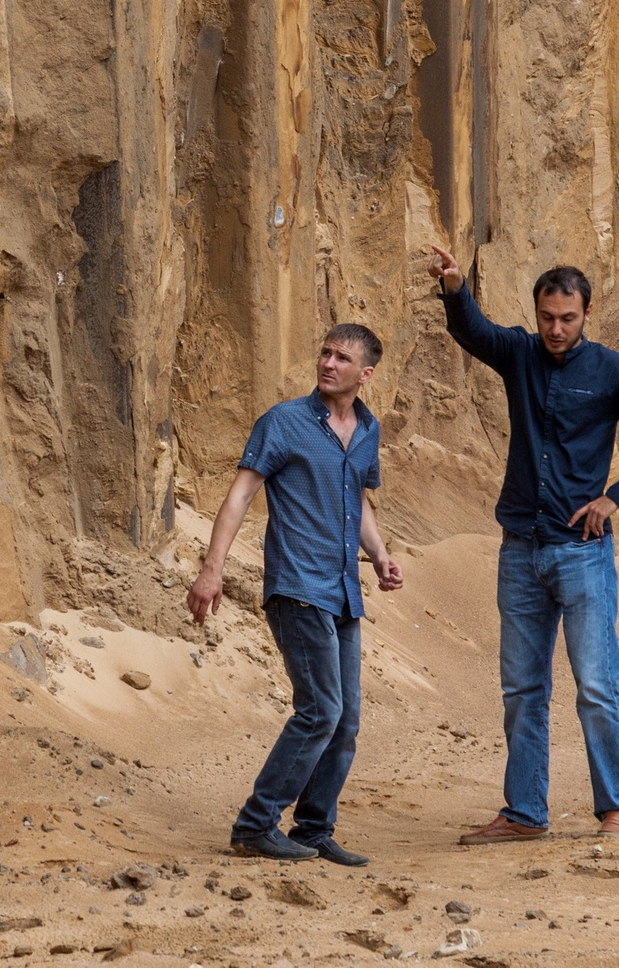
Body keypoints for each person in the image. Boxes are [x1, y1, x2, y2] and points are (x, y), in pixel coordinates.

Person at [424, 247, 619, 842]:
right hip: (520, 547)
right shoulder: (519, 353)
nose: (556, 329)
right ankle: (523, 813)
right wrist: (455, 288)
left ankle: (616, 808)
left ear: (587, 313)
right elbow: (473, 332)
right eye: (546, 317)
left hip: (582, 551)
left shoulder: (613, 370)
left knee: (596, 686)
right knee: (522, 689)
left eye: (567, 318)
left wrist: (616, 497)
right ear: (536, 312)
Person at [186, 325, 406, 863]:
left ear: (365, 374)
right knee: (320, 710)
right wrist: (211, 570)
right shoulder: (283, 422)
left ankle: (312, 829)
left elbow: (358, 501)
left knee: (345, 721)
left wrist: (379, 556)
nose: (328, 363)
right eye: (325, 352)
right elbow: (240, 495)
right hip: (298, 584)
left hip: (344, 591)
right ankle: (255, 825)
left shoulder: (368, 429)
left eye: (342, 358)